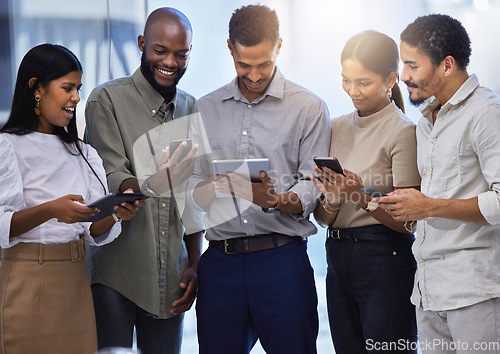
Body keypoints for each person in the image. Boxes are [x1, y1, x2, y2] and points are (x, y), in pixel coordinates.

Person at [186, 4, 331, 354]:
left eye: (263, 64)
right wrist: (197, 187)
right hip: (219, 265)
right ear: (229, 48)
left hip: (281, 263)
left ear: (279, 46)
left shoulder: (308, 108)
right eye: (243, 64)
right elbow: (189, 194)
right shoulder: (204, 109)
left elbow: (313, 183)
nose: (253, 75)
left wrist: (276, 200)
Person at [0, 43, 142, 354]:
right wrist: (52, 210)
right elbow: (2, 227)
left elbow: (93, 231)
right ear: (36, 88)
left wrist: (117, 212)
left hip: (76, 282)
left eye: (78, 88)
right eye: (68, 88)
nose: (76, 97)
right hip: (27, 278)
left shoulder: (84, 153)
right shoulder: (7, 146)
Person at [375, 14, 500, 353]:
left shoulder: (486, 112)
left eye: (412, 65)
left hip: (476, 292)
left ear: (446, 65)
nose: (403, 77)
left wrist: (427, 206)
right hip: (428, 290)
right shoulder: (426, 122)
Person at [84, 7, 204, 354]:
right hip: (116, 278)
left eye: (181, 54)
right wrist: (154, 182)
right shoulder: (105, 100)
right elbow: (113, 176)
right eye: (160, 50)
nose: (170, 61)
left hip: (173, 280)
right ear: (141, 44)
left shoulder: (191, 108)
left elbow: (194, 201)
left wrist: (195, 265)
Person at [309, 30, 420, 353]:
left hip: (384, 258)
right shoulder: (337, 126)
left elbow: (407, 222)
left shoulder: (403, 132)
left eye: (363, 82)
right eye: (346, 80)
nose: (352, 91)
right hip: (337, 256)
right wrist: (332, 199)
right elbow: (324, 219)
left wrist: (360, 196)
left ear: (390, 79)